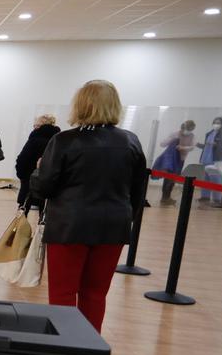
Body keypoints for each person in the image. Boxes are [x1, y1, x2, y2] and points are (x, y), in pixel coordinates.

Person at [31, 80, 147, 332]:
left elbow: (44, 188)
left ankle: (63, 348)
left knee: (62, 293)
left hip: (69, 226)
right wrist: (126, 217)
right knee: (95, 295)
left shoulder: (64, 141)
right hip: (113, 227)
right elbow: (138, 192)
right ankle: (88, 350)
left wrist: (38, 172)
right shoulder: (130, 142)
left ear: (80, 104)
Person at [15, 114, 61, 208]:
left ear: (40, 126)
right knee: (43, 207)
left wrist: (21, 173)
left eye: (35, 125)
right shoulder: (57, 139)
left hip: (29, 176)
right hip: (47, 179)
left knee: (24, 206)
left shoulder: (34, 139)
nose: (34, 128)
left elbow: (23, 158)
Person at [154, 120, 197, 206]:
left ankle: (167, 197)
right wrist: (172, 139)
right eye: (186, 128)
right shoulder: (175, 134)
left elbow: (192, 147)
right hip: (170, 160)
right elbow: (162, 144)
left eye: (190, 129)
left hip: (180, 160)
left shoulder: (192, 136)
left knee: (173, 179)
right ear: (182, 127)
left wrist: (183, 148)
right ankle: (164, 197)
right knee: (168, 179)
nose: (187, 131)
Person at [196, 116, 222, 202]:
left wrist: (215, 144)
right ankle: (205, 197)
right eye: (215, 122)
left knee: (215, 179)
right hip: (206, 159)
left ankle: (217, 198)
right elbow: (206, 146)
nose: (216, 124)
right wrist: (197, 144)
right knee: (206, 179)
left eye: (218, 123)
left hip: (216, 160)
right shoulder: (209, 133)